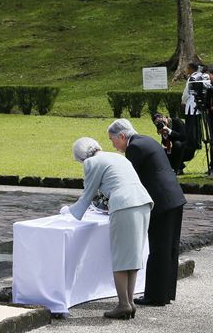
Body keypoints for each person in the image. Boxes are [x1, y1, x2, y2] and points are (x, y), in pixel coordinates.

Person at [60, 137, 153, 320]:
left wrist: (68, 211)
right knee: (132, 256)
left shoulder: (92, 163)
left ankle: (123, 304)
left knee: (119, 257)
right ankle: (130, 302)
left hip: (124, 205)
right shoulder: (118, 157)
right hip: (143, 202)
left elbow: (87, 195)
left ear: (81, 157)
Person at [107, 118, 187, 307]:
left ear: (122, 136)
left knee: (158, 248)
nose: (112, 144)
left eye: (112, 139)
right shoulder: (147, 140)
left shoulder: (134, 148)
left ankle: (155, 296)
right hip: (174, 197)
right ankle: (166, 292)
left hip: (161, 201)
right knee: (170, 249)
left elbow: (128, 179)